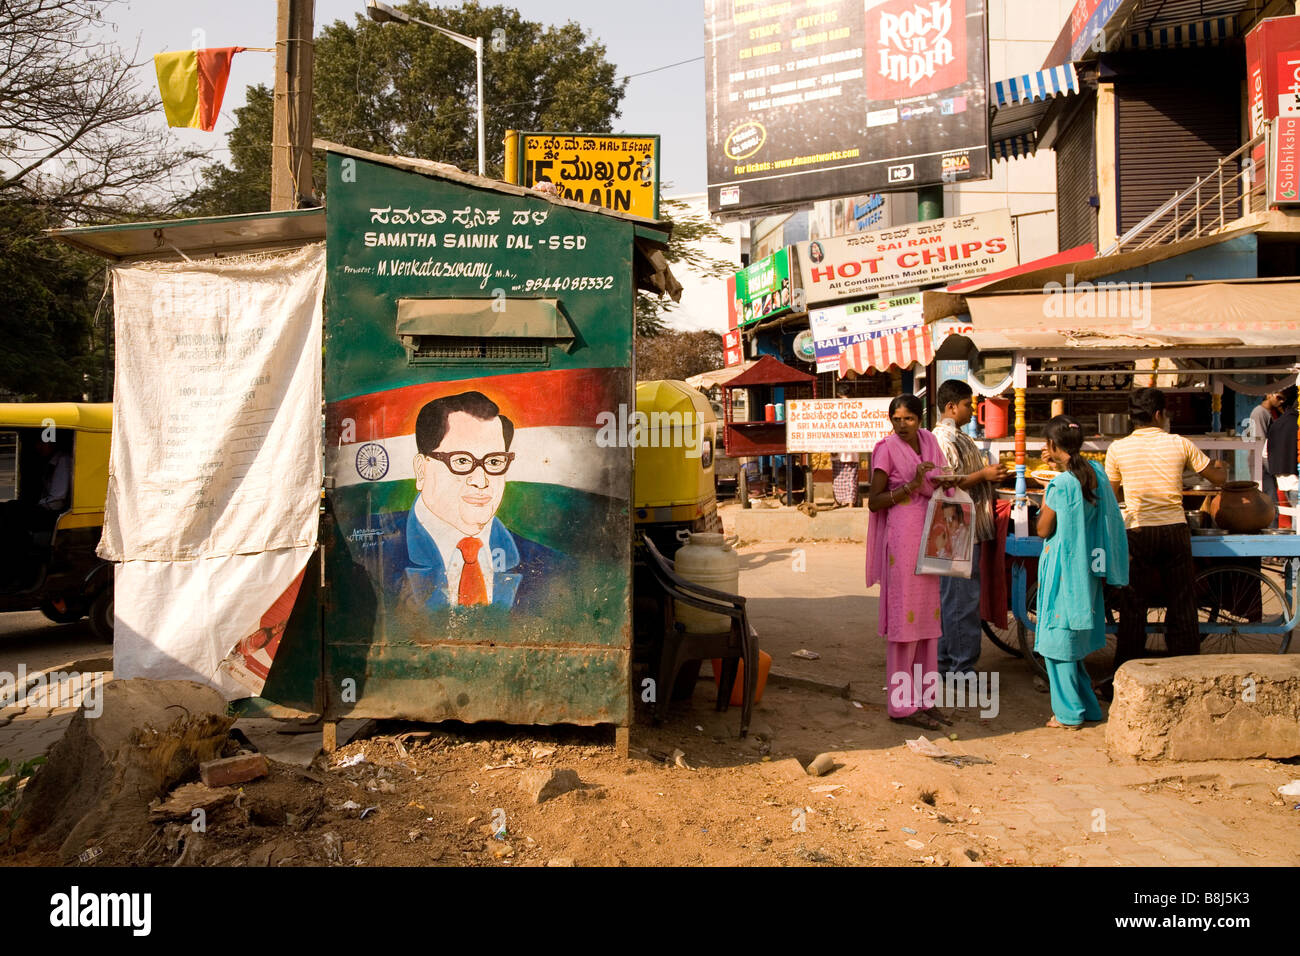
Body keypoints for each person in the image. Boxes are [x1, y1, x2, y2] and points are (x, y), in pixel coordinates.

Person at [380, 391, 563, 612]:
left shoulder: (551, 566)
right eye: (462, 460)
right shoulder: (373, 553)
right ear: (421, 469)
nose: (481, 480)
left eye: (494, 461)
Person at [1104, 388, 1226, 674]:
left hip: (1136, 530)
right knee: (1182, 600)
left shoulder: (1117, 449)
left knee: (1132, 605)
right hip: (1174, 529)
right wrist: (1222, 466)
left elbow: (1111, 497)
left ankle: (1124, 674)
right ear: (1159, 414)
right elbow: (1217, 477)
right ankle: (1186, 671)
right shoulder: (1179, 444)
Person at [865, 394, 961, 731]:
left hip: (931, 532)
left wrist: (944, 483)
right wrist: (912, 485)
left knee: (928, 624)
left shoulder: (930, 442)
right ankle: (901, 706)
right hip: (903, 538)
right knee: (905, 625)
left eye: (908, 419)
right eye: (896, 419)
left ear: (920, 420)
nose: (902, 425)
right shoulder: (885, 448)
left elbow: (941, 480)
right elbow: (873, 502)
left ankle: (925, 700)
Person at [1034, 416, 1129, 729]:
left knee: (1056, 644)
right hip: (1087, 568)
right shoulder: (1095, 473)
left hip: (1063, 568)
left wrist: (1047, 493)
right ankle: (1088, 707)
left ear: (1052, 446)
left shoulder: (1061, 484)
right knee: (1072, 642)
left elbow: (1044, 528)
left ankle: (1068, 713)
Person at [932, 378, 1009, 677]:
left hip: (962, 523)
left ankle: (946, 663)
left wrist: (987, 476)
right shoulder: (943, 439)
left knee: (955, 599)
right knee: (960, 600)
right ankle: (961, 667)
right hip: (954, 522)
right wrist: (984, 474)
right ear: (952, 406)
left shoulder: (959, 436)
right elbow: (948, 482)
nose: (971, 411)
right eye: (967, 405)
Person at [1250, 390, 1283, 505]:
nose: (1281, 401)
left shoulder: (1271, 413)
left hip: (1268, 462)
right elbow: (1261, 443)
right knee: (1269, 503)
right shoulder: (1260, 413)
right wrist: (1271, 468)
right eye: (1279, 398)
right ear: (1269, 394)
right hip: (1262, 465)